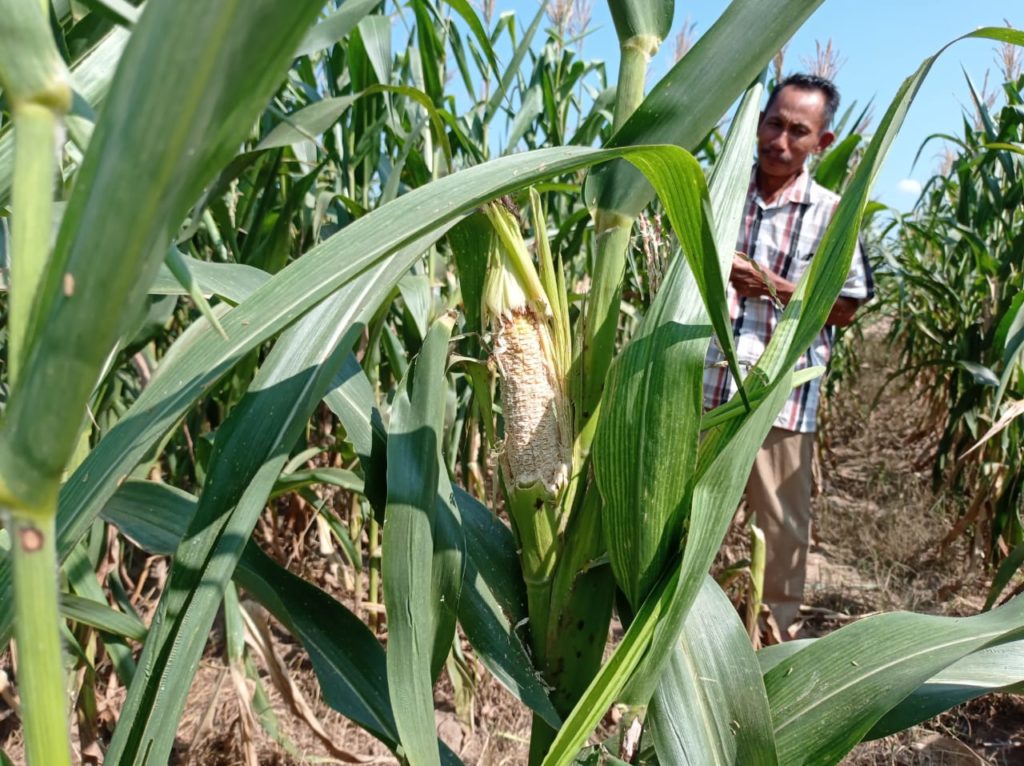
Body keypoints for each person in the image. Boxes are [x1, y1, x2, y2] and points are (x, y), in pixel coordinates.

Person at [703, 73, 874, 637]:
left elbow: (849, 306)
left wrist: (771, 284)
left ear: (822, 142)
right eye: (773, 123)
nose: (780, 139)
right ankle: (675, 642)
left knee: (779, 537)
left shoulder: (831, 214)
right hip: (703, 390)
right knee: (683, 526)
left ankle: (768, 651)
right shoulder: (714, 194)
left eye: (798, 131)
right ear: (757, 124)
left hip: (782, 400)